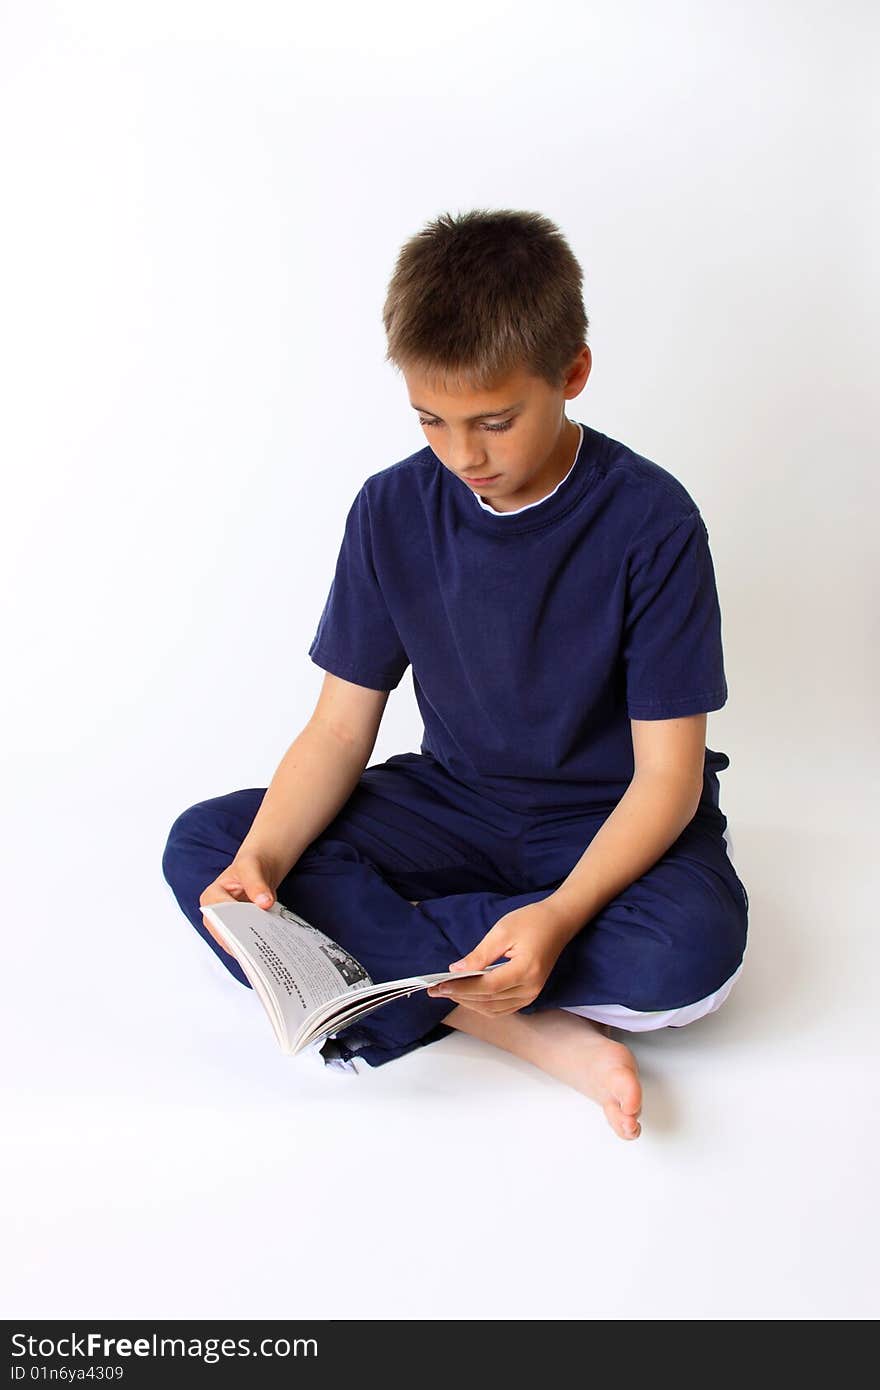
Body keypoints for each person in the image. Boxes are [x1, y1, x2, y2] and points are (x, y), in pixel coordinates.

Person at [162, 208, 750, 1141]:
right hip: (453, 803)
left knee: (690, 957)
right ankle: (522, 1026)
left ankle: (394, 961)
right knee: (208, 848)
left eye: (495, 421)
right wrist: (265, 863)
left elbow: (669, 780)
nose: (463, 456)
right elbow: (340, 730)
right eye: (431, 420)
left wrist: (557, 915)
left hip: (604, 822)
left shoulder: (653, 522)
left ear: (573, 375)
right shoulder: (391, 508)